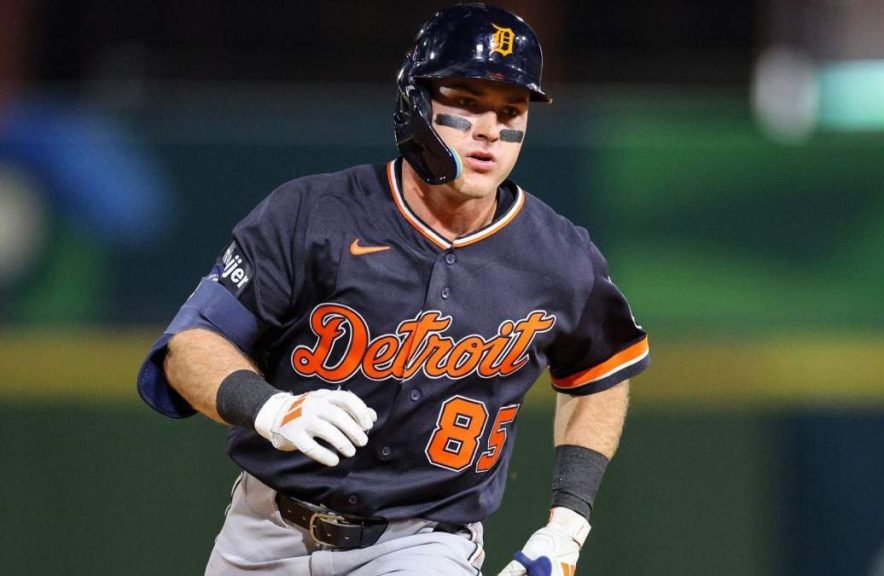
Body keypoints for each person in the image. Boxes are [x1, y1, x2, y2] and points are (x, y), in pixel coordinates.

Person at [137, 4, 649, 575]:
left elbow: (602, 373)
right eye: (465, 102)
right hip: (264, 530)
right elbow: (190, 346)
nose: (488, 131)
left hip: (425, 542)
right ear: (415, 103)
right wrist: (271, 408)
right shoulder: (313, 213)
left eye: (511, 110)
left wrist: (568, 524)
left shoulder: (559, 256)